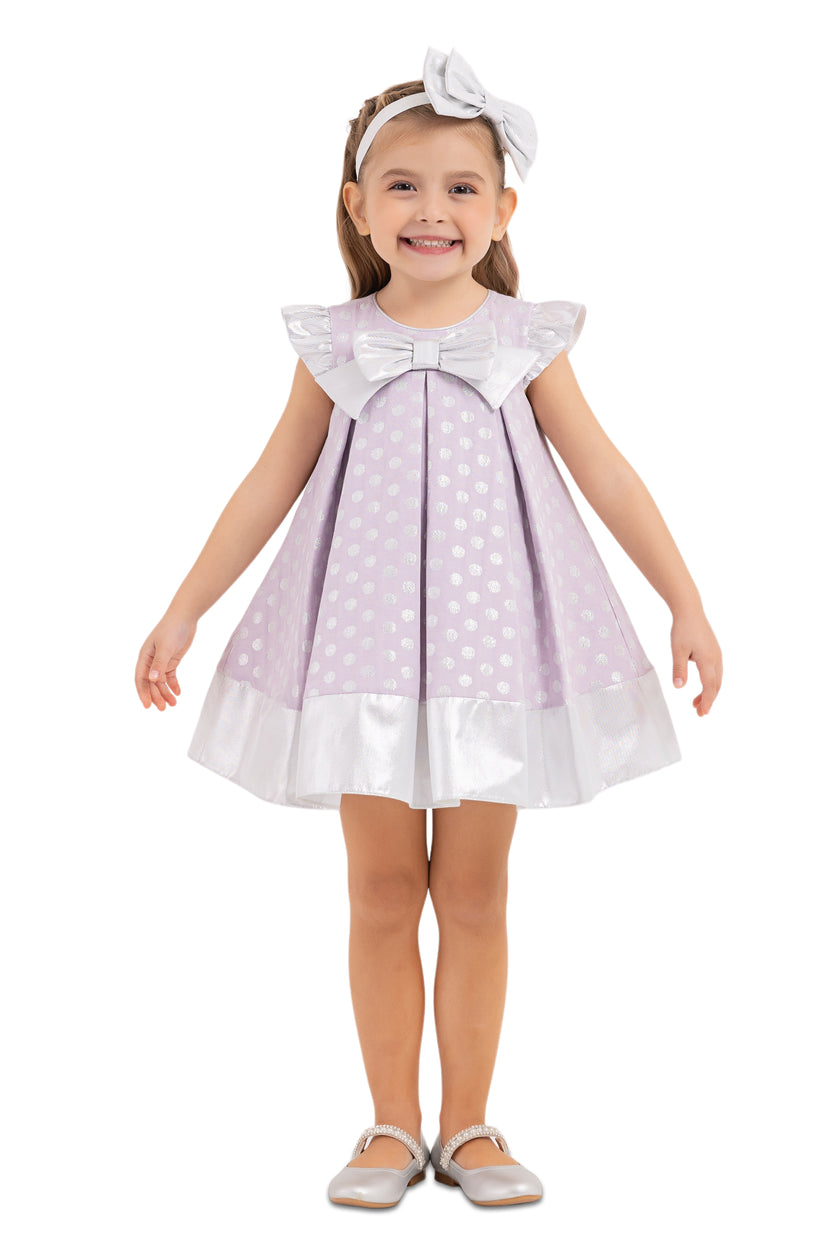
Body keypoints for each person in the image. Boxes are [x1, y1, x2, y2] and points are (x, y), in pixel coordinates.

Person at [135, 47, 722, 1209]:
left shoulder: (527, 338)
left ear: (503, 210)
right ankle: (390, 1126)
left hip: (488, 657)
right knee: (380, 888)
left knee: (477, 893)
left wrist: (685, 600)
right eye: (403, 185)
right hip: (360, 653)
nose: (432, 210)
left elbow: (604, 471)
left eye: (461, 187)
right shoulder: (336, 341)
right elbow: (271, 480)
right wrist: (184, 606)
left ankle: (472, 1127)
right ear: (359, 206)